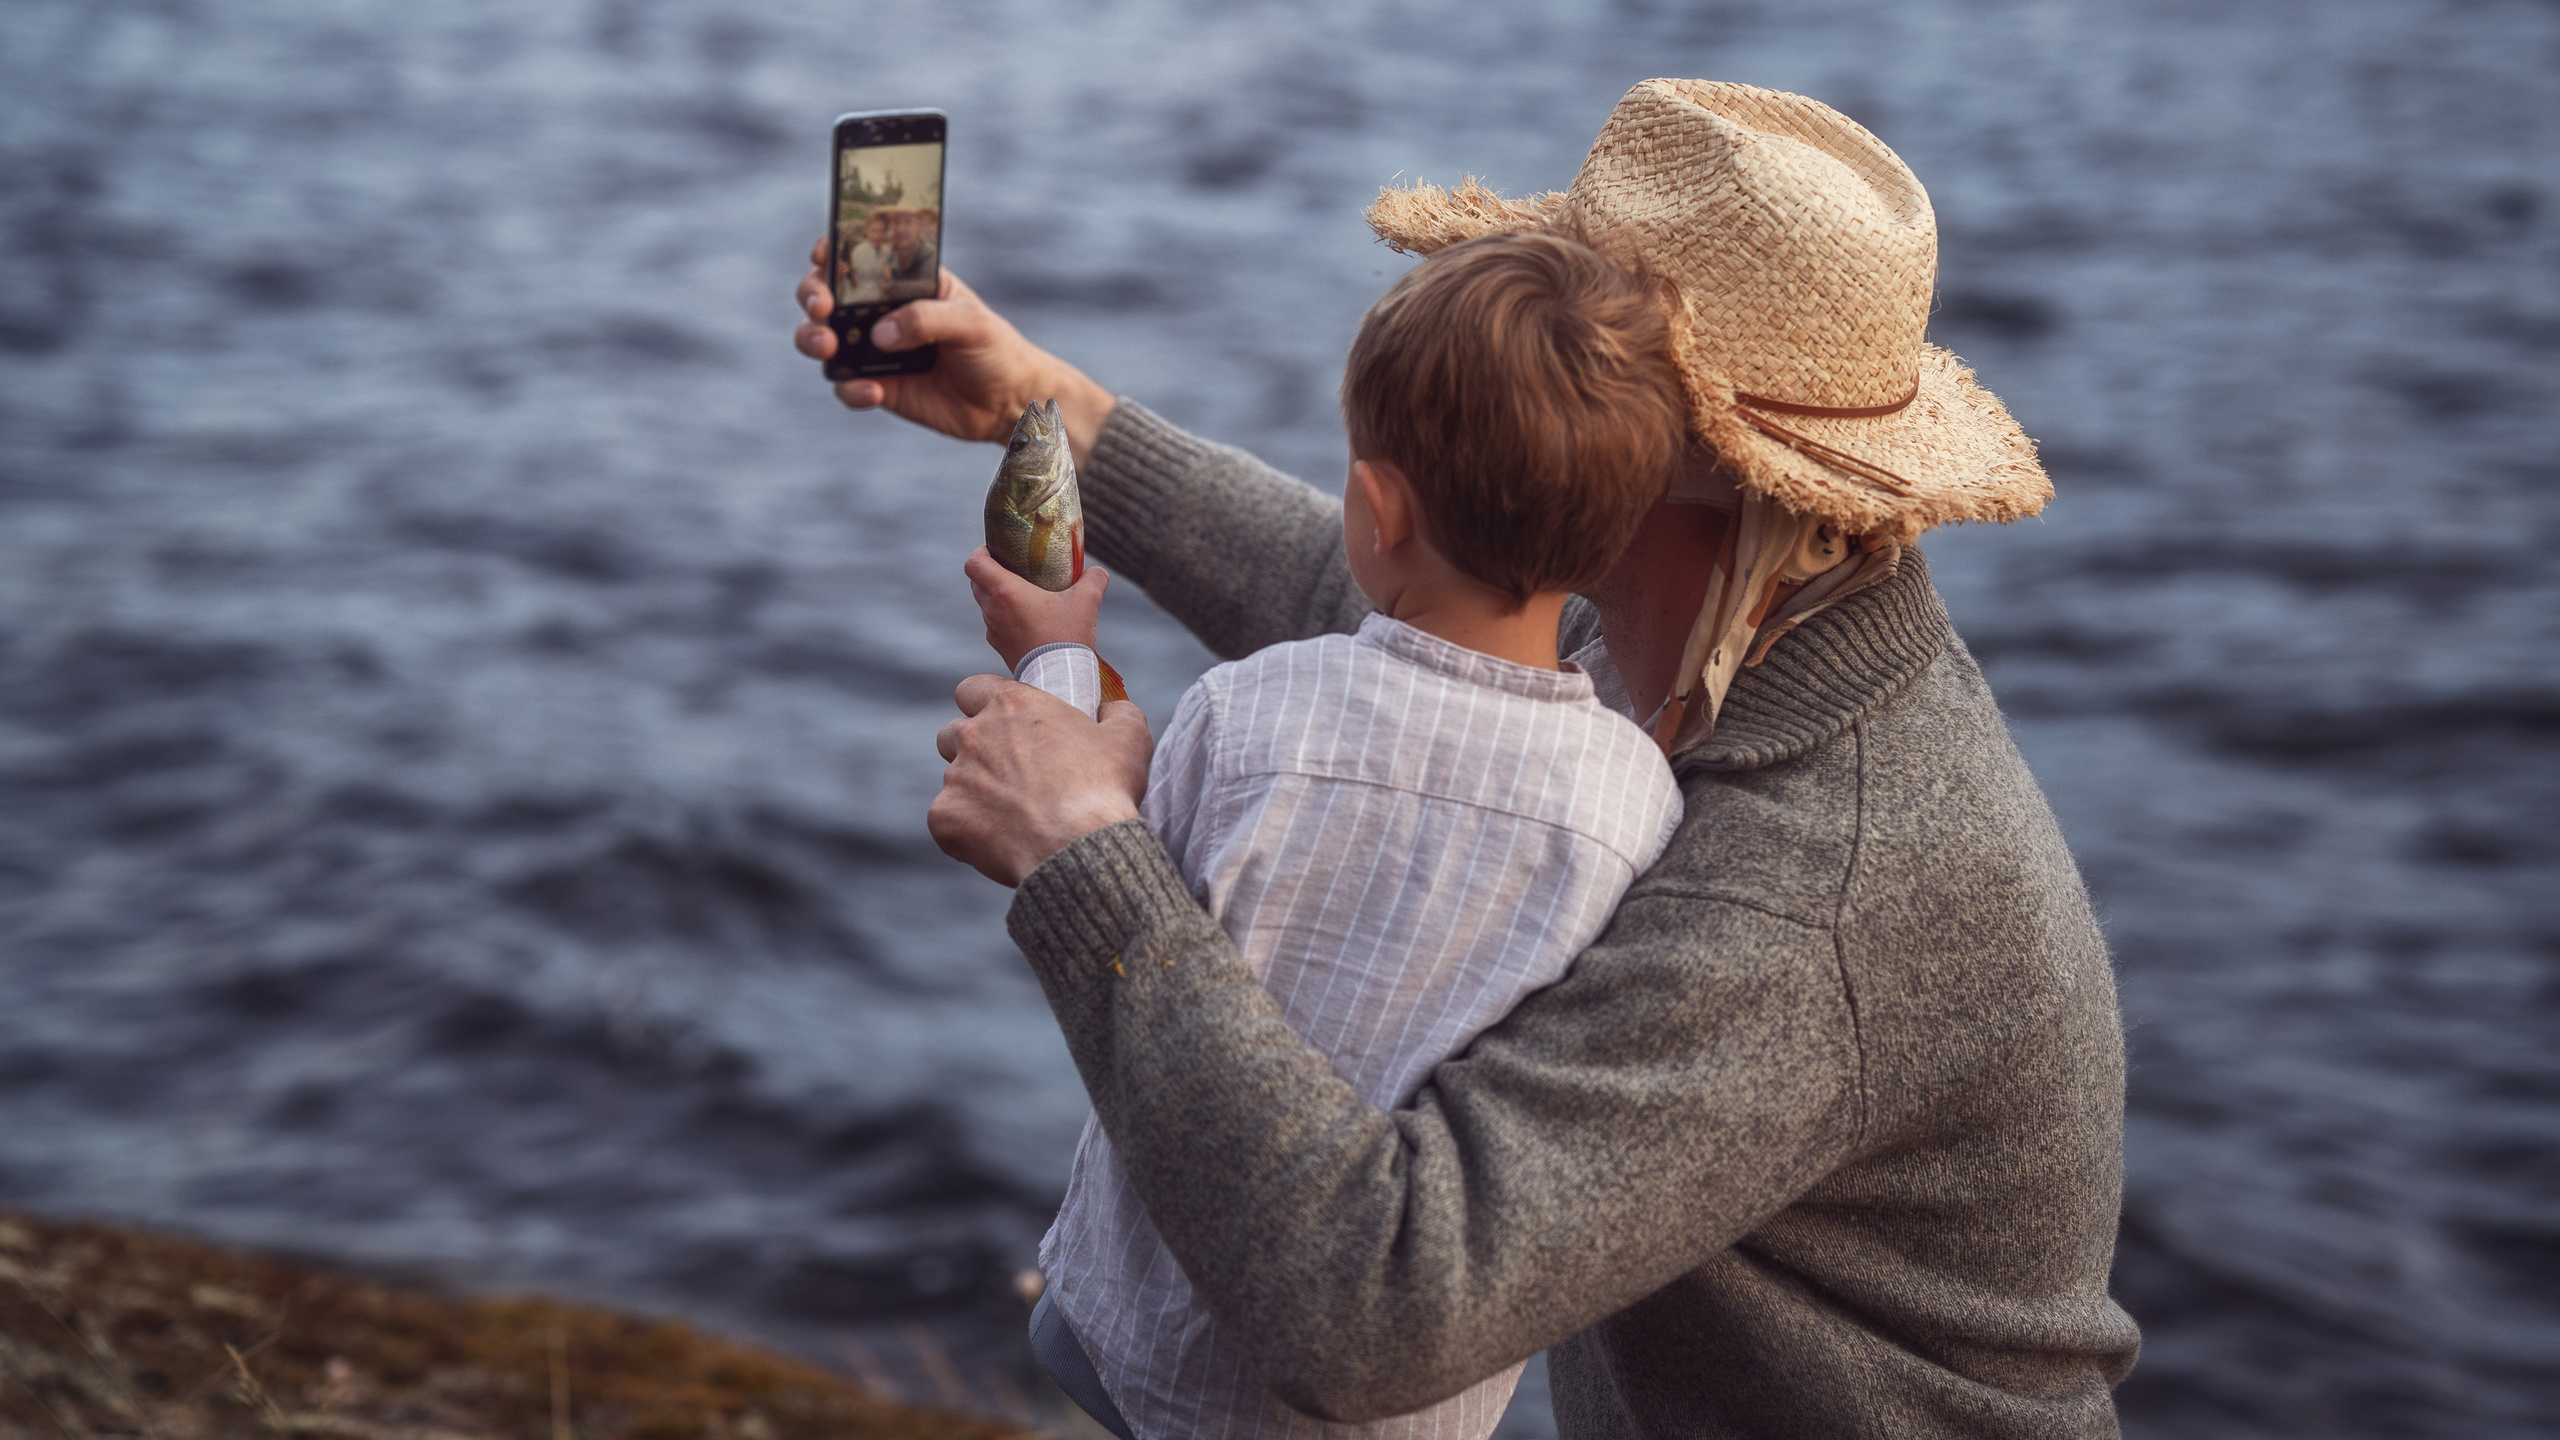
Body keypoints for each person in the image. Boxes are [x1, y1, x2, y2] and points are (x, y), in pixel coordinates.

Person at [793, 79, 2141, 1438]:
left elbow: (1375, 1307)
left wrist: (1086, 856)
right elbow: (1399, 628)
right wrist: (1053, 413)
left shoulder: (1828, 881)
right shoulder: (1716, 615)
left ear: (1654, 445)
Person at [970, 234, 1689, 1440]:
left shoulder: (1247, 713)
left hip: (1137, 1356)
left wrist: (1054, 646)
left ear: (1375, 506)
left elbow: (1124, 922)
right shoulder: (1639, 810)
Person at [838, 210, 892, 306]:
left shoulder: (887, 252)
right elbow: (852, 279)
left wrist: (887, 278)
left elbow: (885, 283)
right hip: (856, 300)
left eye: (882, 231)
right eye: (874, 231)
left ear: (887, 232)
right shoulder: (858, 252)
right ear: (866, 230)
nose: (878, 235)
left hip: (876, 301)